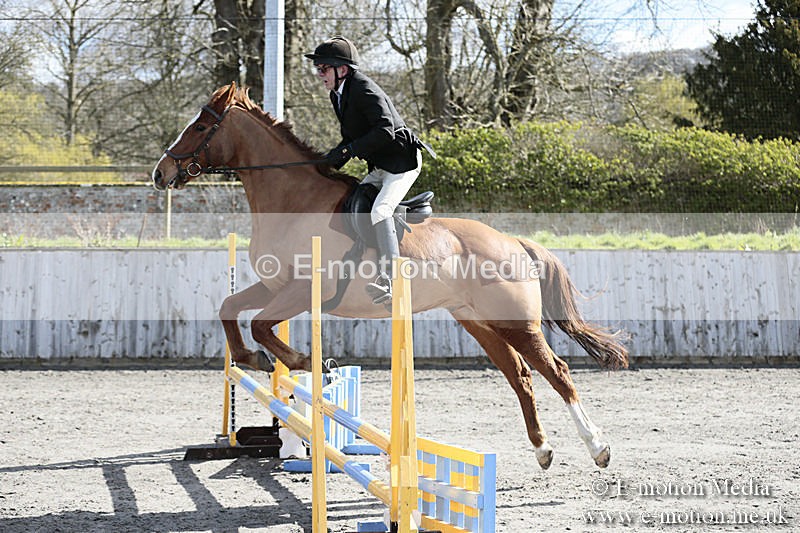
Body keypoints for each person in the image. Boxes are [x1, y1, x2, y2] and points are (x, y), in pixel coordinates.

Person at [305, 36, 422, 306]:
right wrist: (328, 162)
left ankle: (390, 279)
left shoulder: (363, 89)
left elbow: (385, 130)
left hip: (401, 163)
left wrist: (347, 151)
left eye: (323, 69)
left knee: (380, 210)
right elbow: (354, 136)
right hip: (380, 166)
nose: (319, 74)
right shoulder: (338, 94)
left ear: (341, 70)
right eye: (318, 69)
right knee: (353, 204)